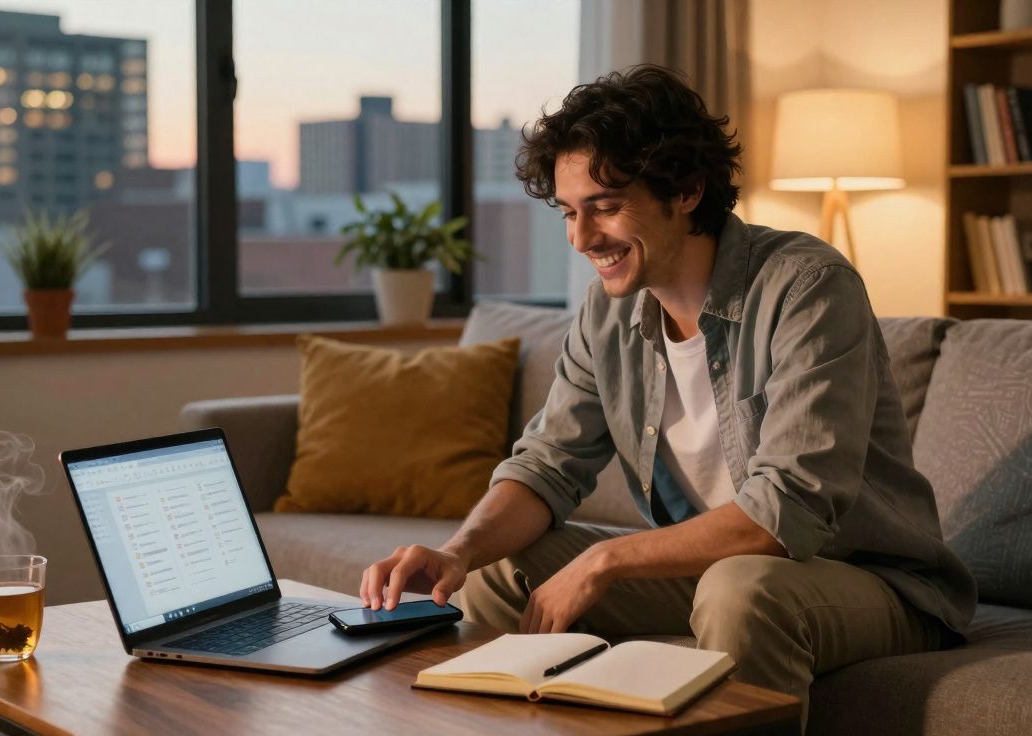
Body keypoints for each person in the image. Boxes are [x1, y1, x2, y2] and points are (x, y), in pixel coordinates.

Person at [359, 64, 976, 721]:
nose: (581, 238)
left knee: (740, 590)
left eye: (605, 206)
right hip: (711, 573)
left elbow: (786, 508)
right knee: (498, 571)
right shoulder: (606, 314)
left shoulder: (808, 287)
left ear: (685, 190)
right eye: (570, 212)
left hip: (868, 579)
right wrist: (456, 553)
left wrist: (605, 560)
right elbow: (546, 466)